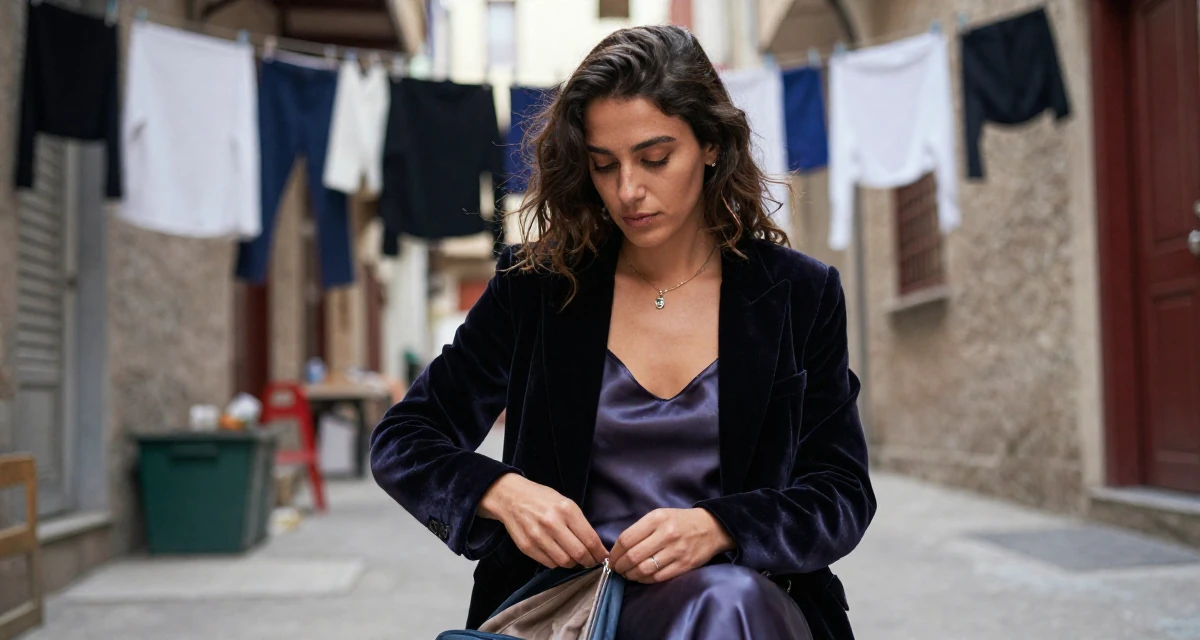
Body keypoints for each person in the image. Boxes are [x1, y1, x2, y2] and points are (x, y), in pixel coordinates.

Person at [370, 25, 876, 640]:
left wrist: (721, 527)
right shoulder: (537, 289)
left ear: (711, 144)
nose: (628, 190)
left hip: (754, 601)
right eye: (604, 166)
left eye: (655, 159)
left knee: (729, 601)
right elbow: (403, 439)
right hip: (573, 608)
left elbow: (841, 492)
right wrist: (501, 491)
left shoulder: (800, 294)